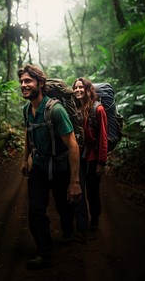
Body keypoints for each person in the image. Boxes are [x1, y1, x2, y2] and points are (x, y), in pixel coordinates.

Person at [18, 64, 81, 269]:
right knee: (36, 211)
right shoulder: (27, 109)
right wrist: (24, 158)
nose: (23, 85)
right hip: (39, 166)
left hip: (61, 166)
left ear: (40, 84)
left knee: (64, 207)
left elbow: (72, 145)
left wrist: (75, 182)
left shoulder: (56, 110)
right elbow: (29, 133)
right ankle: (44, 252)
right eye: (21, 82)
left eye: (28, 81)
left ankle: (68, 232)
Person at [72, 77, 108, 231]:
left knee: (93, 192)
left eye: (81, 87)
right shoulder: (74, 110)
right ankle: (82, 225)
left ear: (88, 90)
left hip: (93, 159)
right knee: (78, 189)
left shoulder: (98, 109)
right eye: (75, 88)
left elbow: (103, 138)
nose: (78, 90)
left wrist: (101, 162)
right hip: (78, 158)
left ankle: (94, 218)